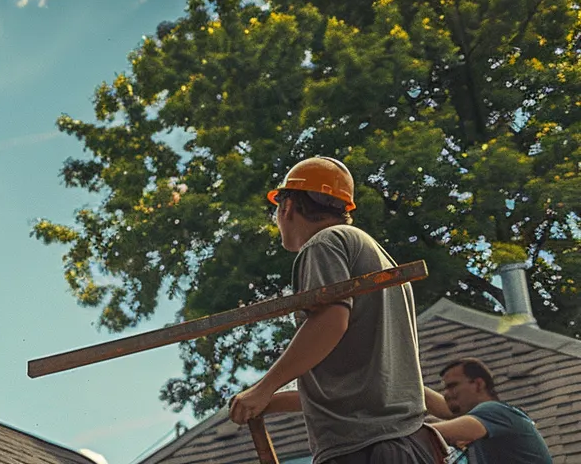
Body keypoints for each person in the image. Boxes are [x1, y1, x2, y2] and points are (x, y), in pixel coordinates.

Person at [228, 156, 441, 463]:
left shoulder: (324, 243)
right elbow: (354, 390)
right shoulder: (374, 255)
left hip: (365, 449)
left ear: (287, 206)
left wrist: (265, 386)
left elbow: (330, 322)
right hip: (404, 442)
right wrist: (267, 401)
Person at [424, 357, 554, 463]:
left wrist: (408, 428)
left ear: (479, 384)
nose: (446, 394)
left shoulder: (494, 410)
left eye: (452, 386)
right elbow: (440, 407)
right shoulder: (492, 418)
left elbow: (433, 433)